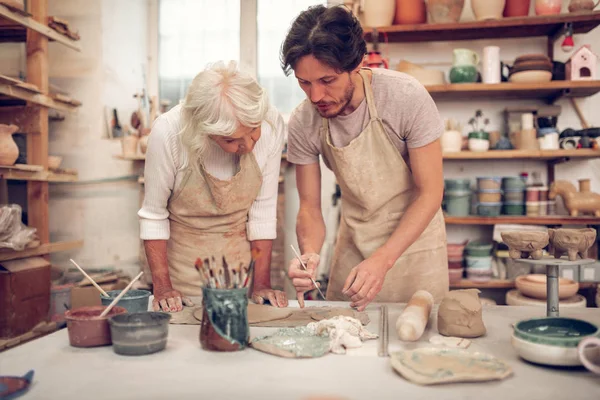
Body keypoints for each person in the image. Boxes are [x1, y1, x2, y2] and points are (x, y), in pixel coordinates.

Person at [282, 5, 448, 311]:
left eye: (327, 81)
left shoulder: (405, 97)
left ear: (357, 64)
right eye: (305, 83)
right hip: (355, 245)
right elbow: (309, 207)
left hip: (416, 246)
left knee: (418, 340)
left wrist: (383, 259)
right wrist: (309, 253)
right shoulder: (303, 121)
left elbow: (430, 193)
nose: (315, 96)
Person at [138, 61, 288, 312]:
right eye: (231, 140)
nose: (248, 146)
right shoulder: (169, 132)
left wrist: (261, 284)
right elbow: (154, 215)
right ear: (205, 132)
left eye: (253, 132)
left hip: (240, 271)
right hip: (183, 273)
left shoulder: (271, 124)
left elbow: (262, 211)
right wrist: (163, 287)